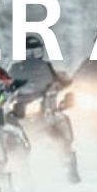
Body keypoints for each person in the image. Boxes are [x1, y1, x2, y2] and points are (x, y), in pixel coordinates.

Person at [10, 34, 80, 183]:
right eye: (29, 52)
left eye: (35, 51)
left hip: (44, 108)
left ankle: (68, 156)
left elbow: (62, 80)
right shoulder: (16, 68)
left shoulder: (47, 67)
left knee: (59, 119)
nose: (32, 55)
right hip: (21, 107)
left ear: (41, 51)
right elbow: (7, 82)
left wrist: (62, 83)